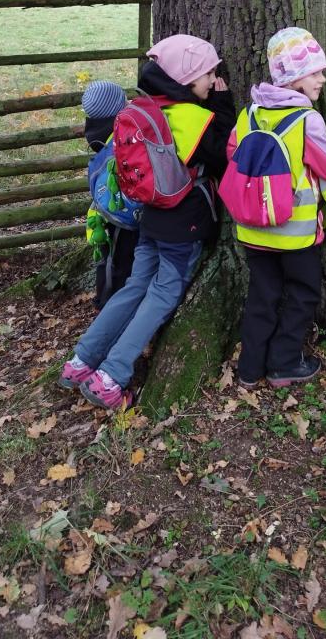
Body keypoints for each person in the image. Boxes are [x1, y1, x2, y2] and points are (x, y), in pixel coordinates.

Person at [60, 35, 236, 409]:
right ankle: (111, 376)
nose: (212, 80)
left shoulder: (147, 108)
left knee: (136, 286)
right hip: (182, 224)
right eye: (208, 73)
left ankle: (81, 361)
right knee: (162, 294)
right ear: (187, 76)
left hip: (150, 217)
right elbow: (223, 156)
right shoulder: (194, 118)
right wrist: (222, 108)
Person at [228, 27, 326, 389]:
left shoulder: (249, 114)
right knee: (303, 294)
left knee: (262, 296)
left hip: (253, 228)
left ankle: (250, 368)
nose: (322, 79)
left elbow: (232, 154)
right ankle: (285, 362)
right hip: (295, 233)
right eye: (315, 72)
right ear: (293, 77)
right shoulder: (306, 120)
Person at [81, 80, 139, 310]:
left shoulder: (98, 130)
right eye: (124, 100)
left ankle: (107, 299)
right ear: (115, 109)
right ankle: (109, 305)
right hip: (120, 210)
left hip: (105, 209)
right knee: (120, 262)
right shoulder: (118, 133)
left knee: (109, 257)